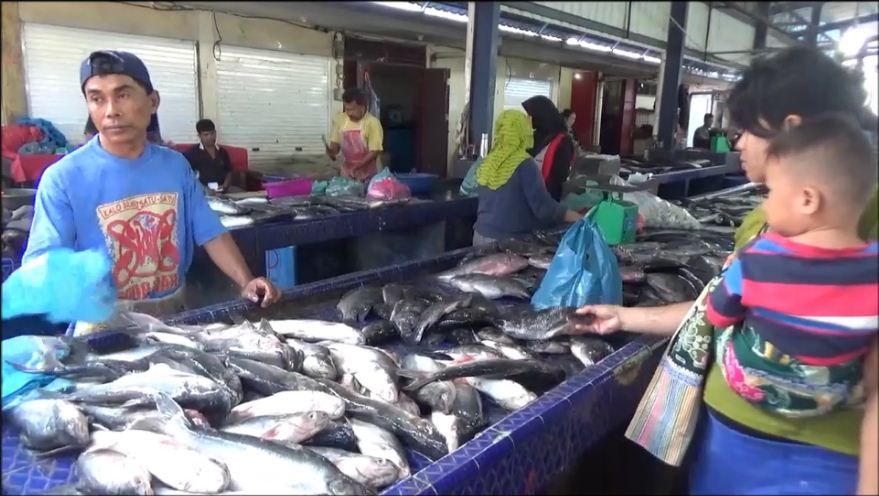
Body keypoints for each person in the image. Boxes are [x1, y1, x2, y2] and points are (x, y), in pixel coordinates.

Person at [573, 46, 879, 495]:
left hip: (812, 464)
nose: (737, 143)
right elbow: (718, 307)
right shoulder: (769, 220)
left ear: (790, 129)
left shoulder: (867, 227)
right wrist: (626, 317)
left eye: (746, 131)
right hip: (727, 442)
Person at [24, 50, 280, 336]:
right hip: (100, 327)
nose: (111, 110)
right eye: (97, 98)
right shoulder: (63, 178)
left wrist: (246, 281)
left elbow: (210, 231)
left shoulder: (175, 166)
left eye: (122, 95)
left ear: (152, 101)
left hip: (175, 317)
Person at [472, 109, 581, 246]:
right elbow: (544, 209)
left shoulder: (489, 160)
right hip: (507, 244)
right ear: (522, 132)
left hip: (480, 236)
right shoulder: (524, 164)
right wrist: (576, 217)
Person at [325, 88, 384, 182]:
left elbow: (374, 151)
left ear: (362, 106)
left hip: (368, 173)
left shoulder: (373, 123)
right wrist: (331, 152)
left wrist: (358, 166)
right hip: (347, 171)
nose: (349, 113)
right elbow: (335, 148)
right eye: (347, 109)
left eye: (352, 109)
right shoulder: (340, 120)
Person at [522, 96, 574, 202]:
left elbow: (558, 180)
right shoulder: (535, 136)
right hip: (528, 198)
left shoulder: (562, 141)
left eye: (530, 115)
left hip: (547, 201)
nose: (528, 119)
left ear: (541, 115)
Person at [184, 119, 239, 192]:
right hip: (202, 190)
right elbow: (188, 176)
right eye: (206, 134)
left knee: (242, 195)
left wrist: (226, 185)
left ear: (215, 133)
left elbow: (229, 171)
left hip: (223, 188)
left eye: (212, 133)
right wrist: (203, 188)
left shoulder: (222, 151)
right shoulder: (193, 152)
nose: (210, 137)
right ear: (199, 135)